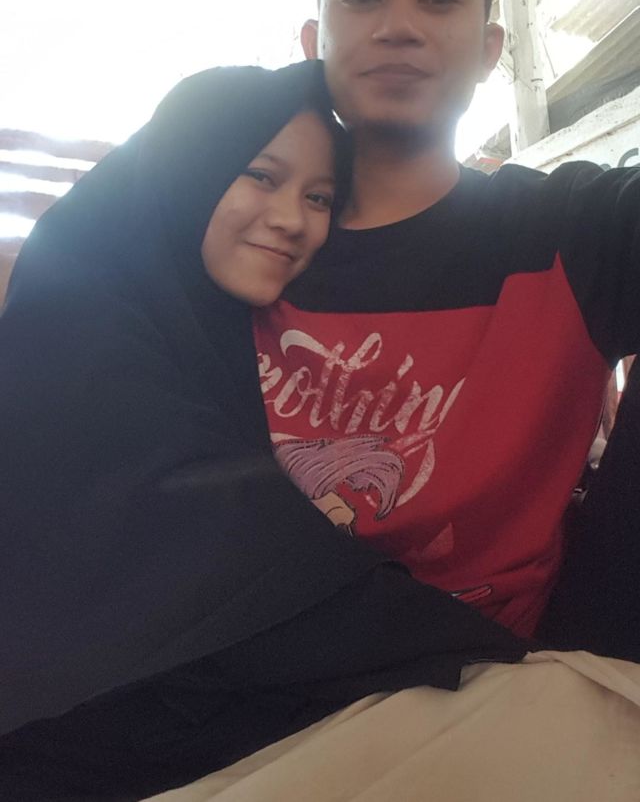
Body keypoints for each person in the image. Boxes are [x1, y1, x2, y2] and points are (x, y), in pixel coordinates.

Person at [0, 61, 524, 798]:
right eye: (261, 176)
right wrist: (484, 649)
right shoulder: (77, 324)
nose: (292, 219)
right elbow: (229, 560)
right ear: (189, 170)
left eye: (318, 197)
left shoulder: (198, 321)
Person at [252, 0, 640, 658]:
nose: (398, 26)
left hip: (495, 677)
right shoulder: (249, 241)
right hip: (256, 670)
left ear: (490, 49)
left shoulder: (572, 233)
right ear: (313, 42)